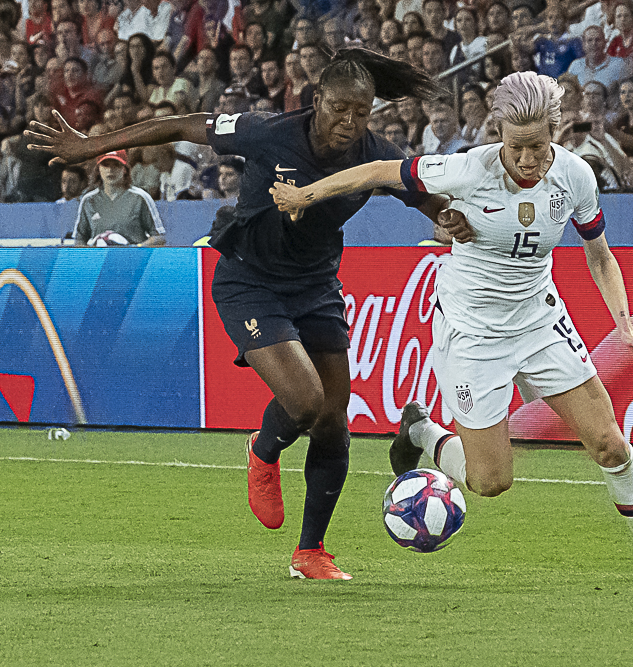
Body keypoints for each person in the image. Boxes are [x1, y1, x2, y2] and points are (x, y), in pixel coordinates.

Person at [26, 48, 468, 581]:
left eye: (362, 113)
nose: (350, 123)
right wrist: (92, 144)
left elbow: (424, 197)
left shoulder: (375, 155)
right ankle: (262, 450)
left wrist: (454, 221)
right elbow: (183, 125)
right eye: (340, 110)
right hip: (248, 280)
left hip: (317, 285)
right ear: (317, 100)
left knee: (332, 421)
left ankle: (311, 553)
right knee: (306, 402)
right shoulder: (268, 131)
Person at [269, 71, 633, 582]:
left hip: (540, 322)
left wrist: (625, 325)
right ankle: (422, 430)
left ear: (556, 132)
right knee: (489, 482)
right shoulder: (466, 169)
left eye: (538, 146)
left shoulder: (575, 177)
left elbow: (600, 254)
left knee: (610, 444)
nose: (528, 159)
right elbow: (376, 170)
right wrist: (306, 195)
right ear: (500, 134)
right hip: (474, 333)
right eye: (517, 146)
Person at [72, 150, 166, 246]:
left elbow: (159, 238)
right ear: (98, 169)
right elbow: (79, 240)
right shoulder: (89, 200)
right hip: (101, 259)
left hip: (132, 259)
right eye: (105, 165)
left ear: (124, 169)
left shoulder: (140, 197)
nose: (110, 170)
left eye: (116, 165)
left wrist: (137, 248)